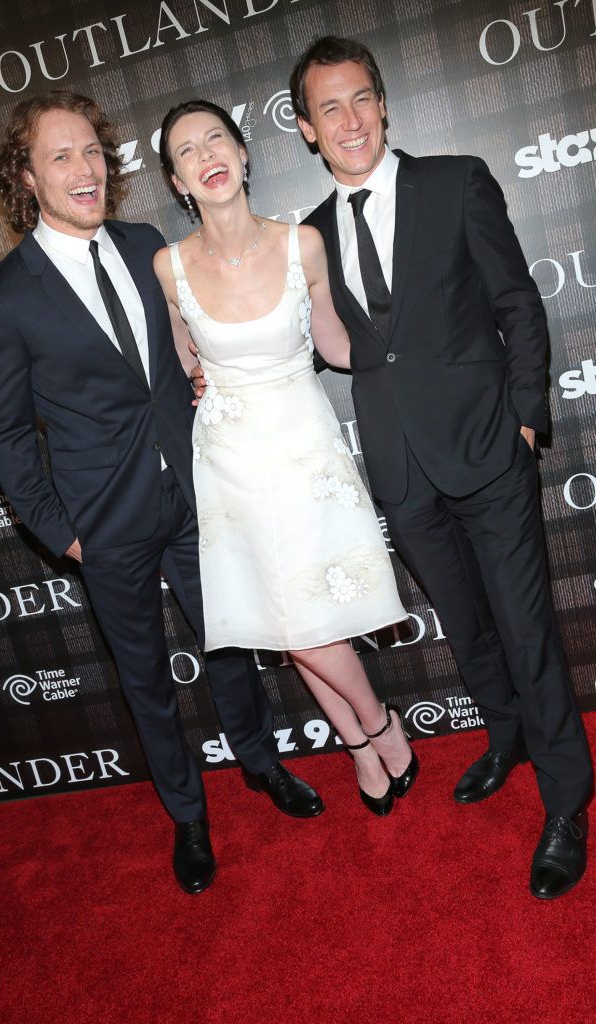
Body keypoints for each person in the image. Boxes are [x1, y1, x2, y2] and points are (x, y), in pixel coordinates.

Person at [0, 90, 326, 897]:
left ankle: (263, 765)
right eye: (61, 156)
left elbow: (178, 356)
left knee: (232, 643)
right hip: (105, 525)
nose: (84, 169)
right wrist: (64, 534)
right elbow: (7, 438)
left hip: (197, 493)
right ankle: (187, 816)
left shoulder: (144, 246)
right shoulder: (2, 295)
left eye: (92, 151)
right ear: (25, 177)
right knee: (146, 681)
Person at [285, 35, 592, 899]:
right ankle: (505, 738)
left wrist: (526, 423)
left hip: (488, 452)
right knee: (466, 626)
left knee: (527, 632)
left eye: (360, 99)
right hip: (400, 468)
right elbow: (308, 343)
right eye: (328, 108)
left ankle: (567, 798)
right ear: (306, 129)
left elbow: (515, 305)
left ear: (381, 103)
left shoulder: (455, 181)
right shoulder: (304, 238)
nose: (348, 120)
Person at [154, 99, 419, 821]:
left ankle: (368, 730)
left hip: (302, 446)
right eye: (186, 151)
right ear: (177, 181)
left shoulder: (302, 243)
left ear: (242, 154)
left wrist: (412, 347)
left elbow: (336, 344)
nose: (205, 155)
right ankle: (370, 731)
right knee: (280, 617)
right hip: (228, 460)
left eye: (216, 139)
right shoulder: (167, 266)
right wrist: (195, 378)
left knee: (306, 615)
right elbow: (179, 363)